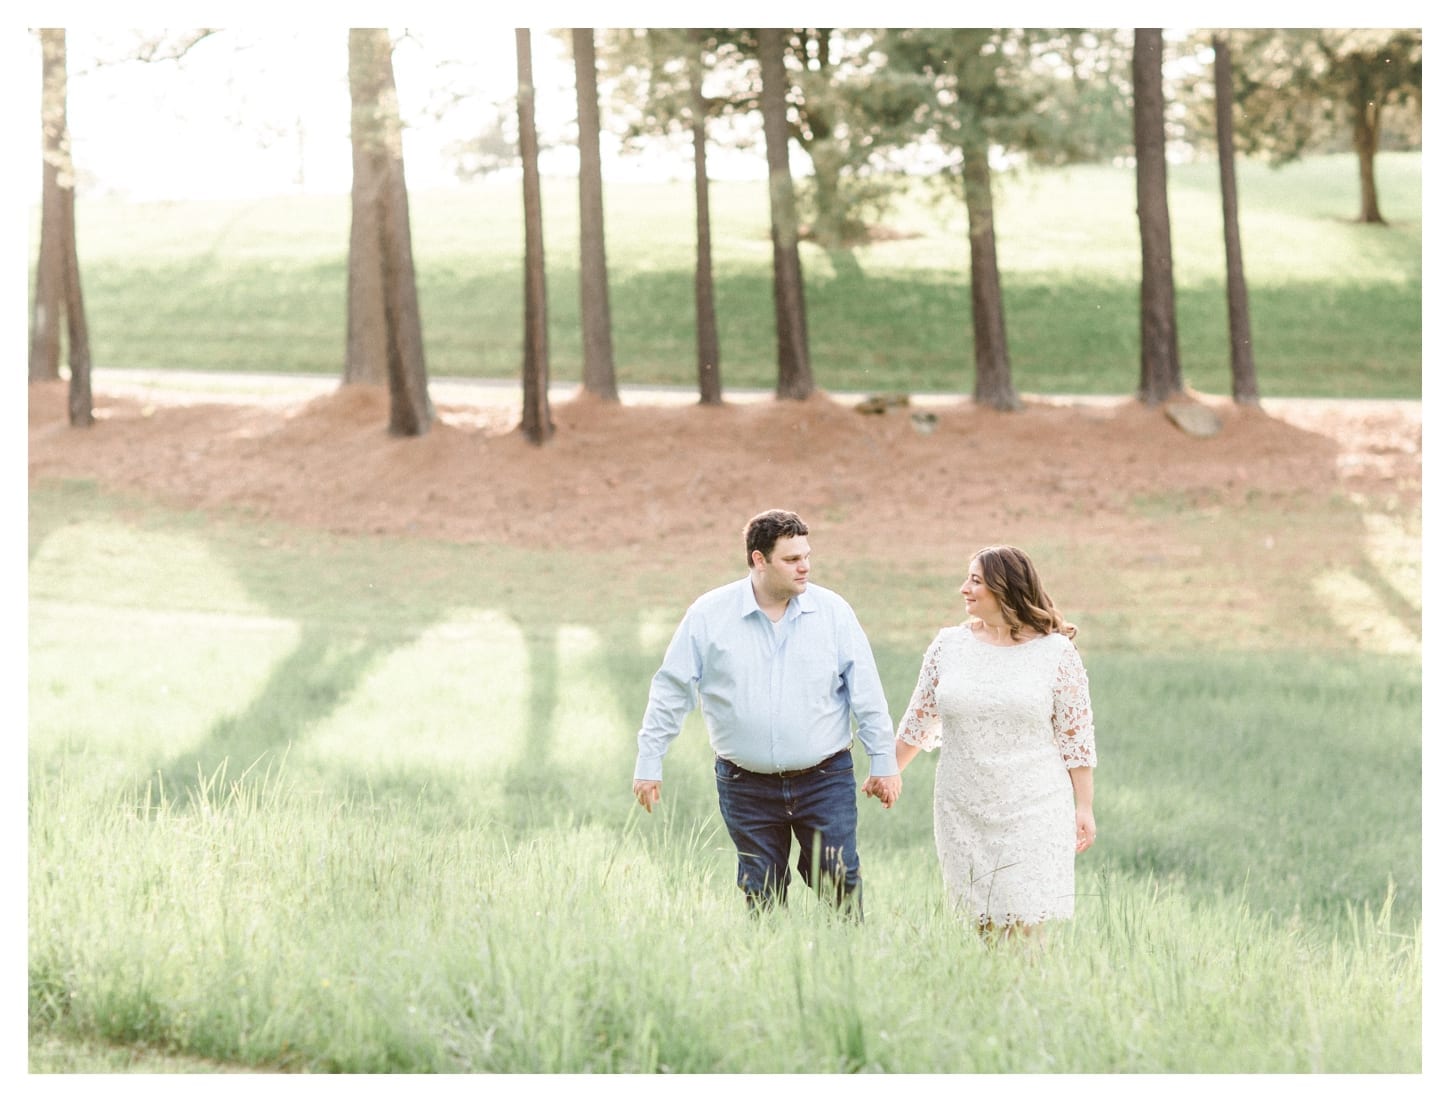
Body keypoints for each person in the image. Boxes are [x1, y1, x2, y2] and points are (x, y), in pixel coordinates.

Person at [632, 509, 901, 916]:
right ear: (759, 560)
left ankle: (846, 967)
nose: (805, 566)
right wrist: (649, 761)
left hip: (825, 779)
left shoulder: (833, 613)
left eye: (807, 555)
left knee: (840, 882)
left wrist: (884, 762)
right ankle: (772, 968)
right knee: (762, 893)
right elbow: (671, 689)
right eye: (791, 559)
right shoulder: (708, 615)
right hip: (745, 785)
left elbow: (867, 693)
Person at [891, 545, 1096, 940]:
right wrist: (886, 773)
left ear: (1004, 588)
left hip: (1035, 805)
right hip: (962, 804)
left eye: (975, 580)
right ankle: (988, 995)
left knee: (1022, 922)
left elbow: (1076, 737)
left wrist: (1084, 805)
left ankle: (1027, 997)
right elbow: (918, 719)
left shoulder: (1056, 653)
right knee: (979, 922)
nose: (963, 589)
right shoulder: (948, 646)